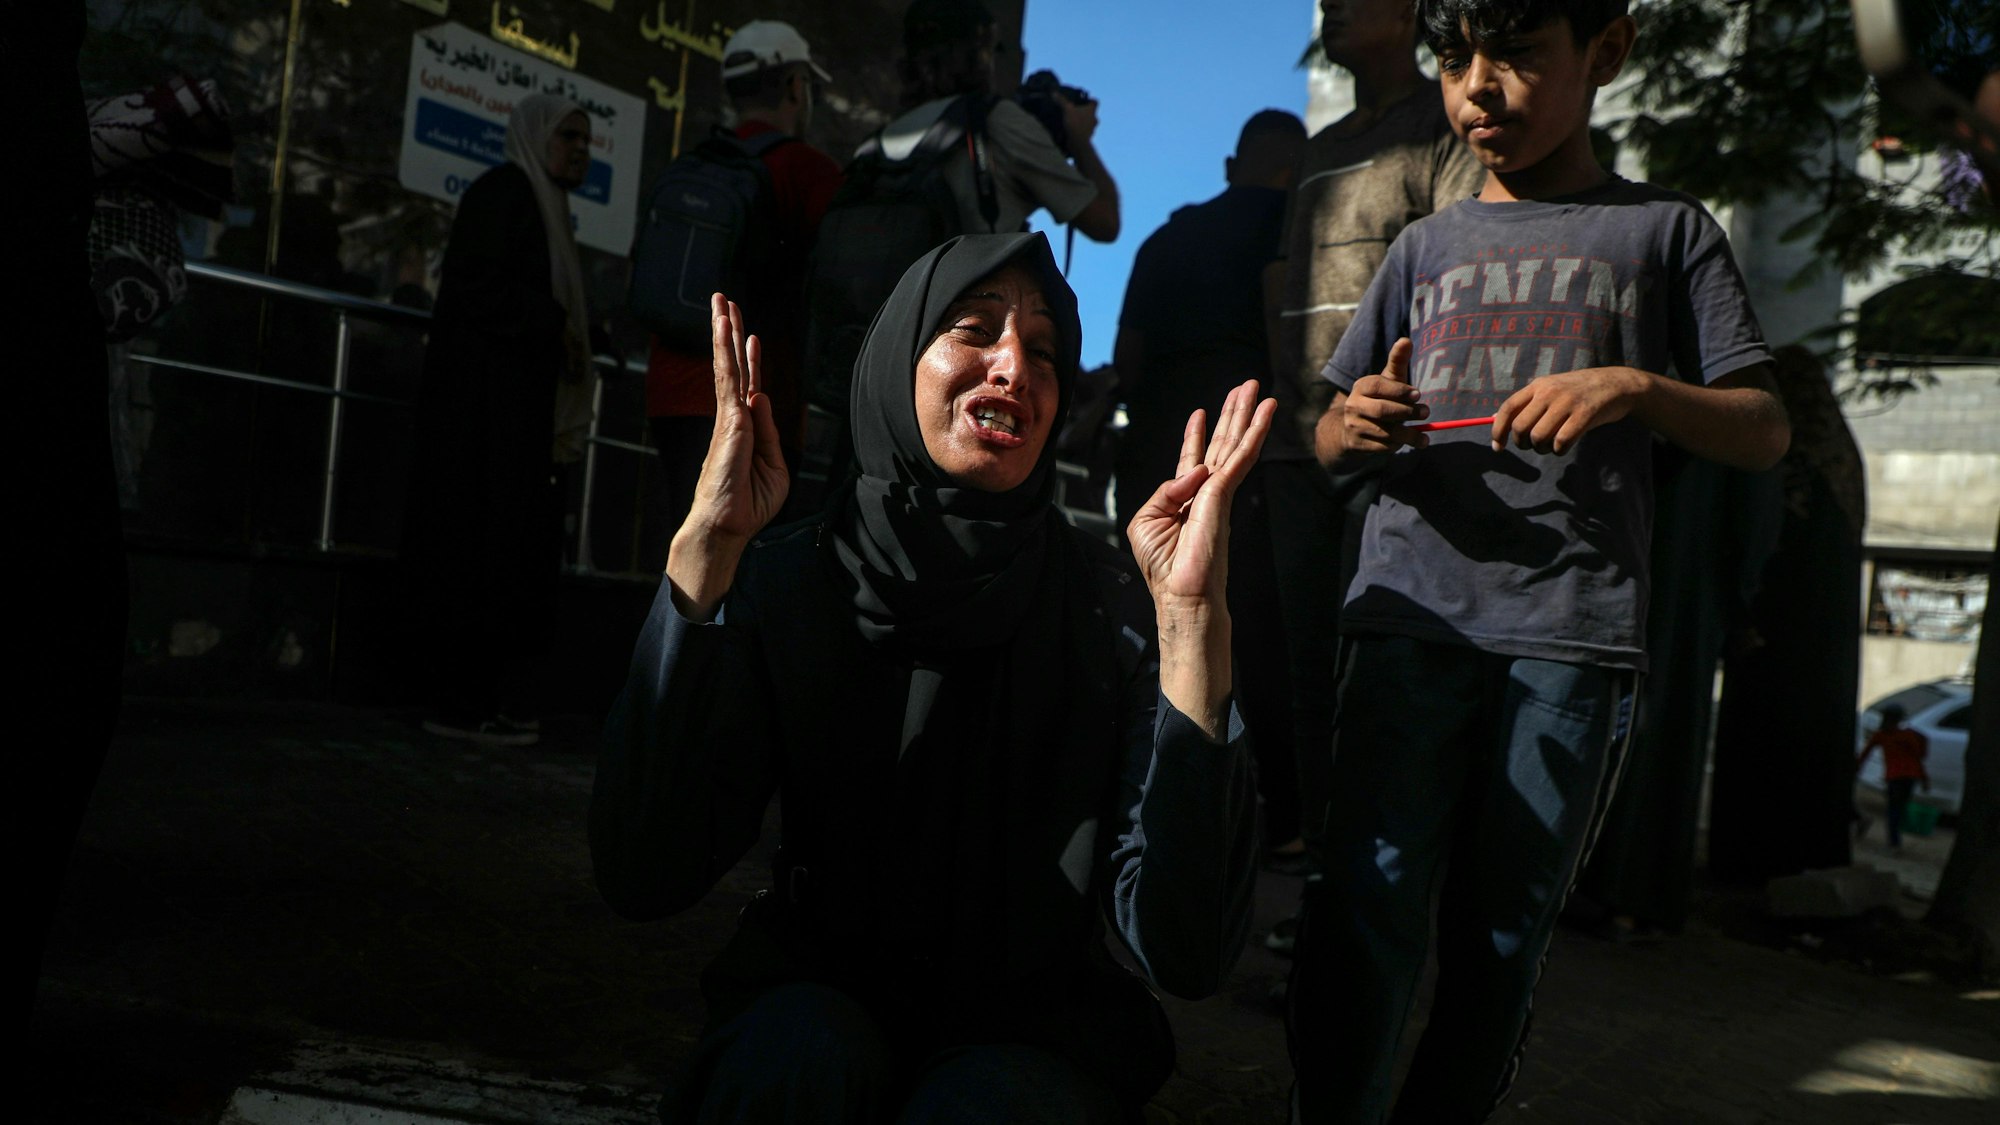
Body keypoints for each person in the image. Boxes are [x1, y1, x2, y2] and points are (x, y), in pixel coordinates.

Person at [590, 231, 1270, 1122]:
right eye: (974, 329)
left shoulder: (1111, 613)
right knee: (799, 1052)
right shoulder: (797, 579)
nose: (1013, 367)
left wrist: (1189, 625)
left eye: (1045, 352)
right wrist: (707, 549)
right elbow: (645, 868)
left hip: (1036, 1043)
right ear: (895, 362)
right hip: (817, 1003)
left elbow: (1185, 950)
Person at [1291, 0, 1791, 1119]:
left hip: (1568, 636)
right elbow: (1325, 438)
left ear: (1604, 52)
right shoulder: (1423, 246)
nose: (1477, 85)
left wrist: (1636, 387)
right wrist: (1352, 425)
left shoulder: (1665, 232)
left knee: (1500, 939)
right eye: (1453, 58)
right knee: (1361, 911)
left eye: (1516, 53)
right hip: (1408, 619)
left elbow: (1763, 429)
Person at [1263, 0, 1489, 897]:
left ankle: (1382, 896)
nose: (1334, 10)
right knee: (1308, 682)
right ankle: (1329, 887)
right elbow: (1281, 277)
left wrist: (1398, 412)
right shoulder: (1321, 147)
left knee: (1382, 679)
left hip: (1393, 449)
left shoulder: (1443, 126)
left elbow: (1462, 279)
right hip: (1299, 448)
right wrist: (1287, 406)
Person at [1114, 107, 1306, 858]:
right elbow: (1287, 330)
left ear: (1232, 166)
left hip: (1155, 448)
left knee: (1144, 619)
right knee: (1257, 631)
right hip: (1246, 446)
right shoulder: (1291, 225)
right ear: (1295, 172)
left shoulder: (1168, 237)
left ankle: (1135, 796)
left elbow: (1127, 356)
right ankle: (1281, 820)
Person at [403, 94, 600, 747]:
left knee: (505, 559)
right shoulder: (506, 195)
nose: (580, 151)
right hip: (481, 426)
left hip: (513, 426)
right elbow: (481, 291)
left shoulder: (544, 206)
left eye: (586, 140)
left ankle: (488, 698)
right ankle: (463, 703)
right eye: (569, 137)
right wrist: (555, 326)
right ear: (535, 137)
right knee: (478, 556)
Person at [644, 20, 842, 557]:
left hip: (669, 394)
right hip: (755, 407)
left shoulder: (693, 163)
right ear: (795, 86)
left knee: (682, 557)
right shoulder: (806, 170)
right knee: (746, 570)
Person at [1856, 704, 1931, 852]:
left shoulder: (1883, 735)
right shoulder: (1906, 735)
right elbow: (1918, 758)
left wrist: (1857, 767)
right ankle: (1894, 842)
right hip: (1908, 777)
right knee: (1897, 810)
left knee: (1894, 810)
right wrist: (1924, 779)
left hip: (1897, 778)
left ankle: (1894, 843)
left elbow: (1865, 753)